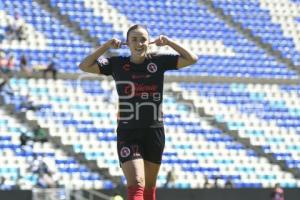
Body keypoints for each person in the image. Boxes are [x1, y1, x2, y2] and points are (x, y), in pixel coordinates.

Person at [79, 24, 198, 200]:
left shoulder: (158, 61)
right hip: (128, 132)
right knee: (137, 184)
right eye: (134, 39)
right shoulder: (117, 64)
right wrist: (106, 46)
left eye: (143, 39)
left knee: (149, 189)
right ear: (127, 43)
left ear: (149, 42)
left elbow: (192, 59)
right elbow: (84, 65)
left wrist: (169, 42)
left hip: (154, 130)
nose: (139, 43)